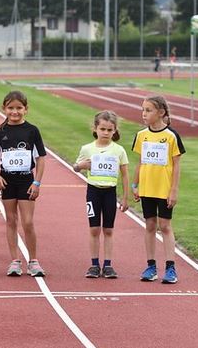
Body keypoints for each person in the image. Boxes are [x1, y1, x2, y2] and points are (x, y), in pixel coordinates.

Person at [0, 90, 47, 277]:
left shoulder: (32, 131)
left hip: (26, 181)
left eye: (19, 108)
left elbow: (41, 159)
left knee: (28, 222)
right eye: (11, 108)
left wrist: (37, 182)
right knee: (11, 220)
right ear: (4, 109)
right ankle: (14, 261)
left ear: (26, 109)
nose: (15, 112)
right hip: (7, 181)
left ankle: (34, 261)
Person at [133, 95, 185, 284]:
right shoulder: (141, 135)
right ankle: (151, 266)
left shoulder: (171, 136)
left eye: (148, 110)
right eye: (143, 110)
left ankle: (171, 268)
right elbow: (140, 162)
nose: (144, 114)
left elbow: (177, 165)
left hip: (164, 189)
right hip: (147, 188)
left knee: (165, 225)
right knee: (149, 225)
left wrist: (174, 190)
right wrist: (135, 184)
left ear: (161, 113)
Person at [72, 111, 130, 279]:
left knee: (109, 230)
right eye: (102, 129)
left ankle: (108, 265)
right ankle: (94, 264)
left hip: (110, 193)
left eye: (109, 130)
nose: (105, 133)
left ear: (115, 130)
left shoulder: (118, 150)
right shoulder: (87, 148)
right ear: (95, 128)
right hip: (93, 192)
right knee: (94, 229)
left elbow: (125, 174)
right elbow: (76, 166)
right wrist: (80, 165)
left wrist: (125, 197)